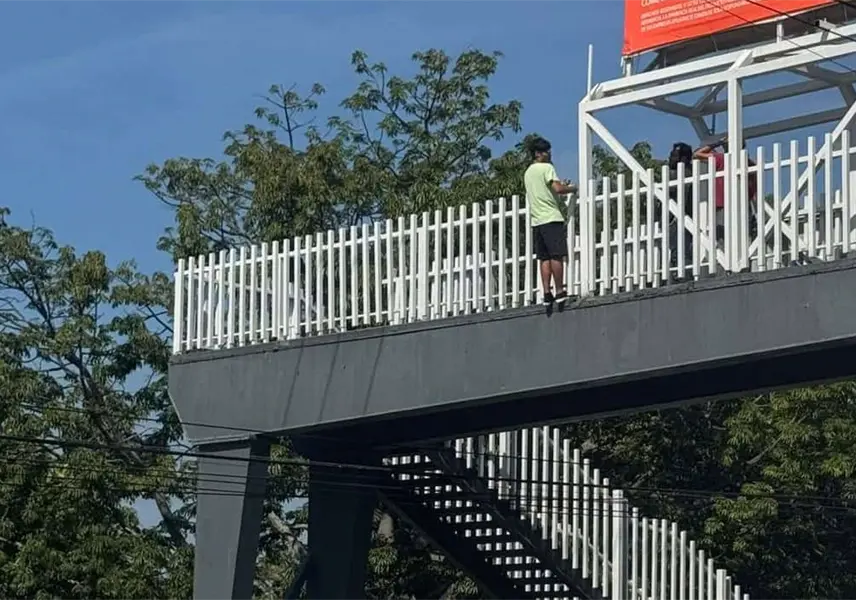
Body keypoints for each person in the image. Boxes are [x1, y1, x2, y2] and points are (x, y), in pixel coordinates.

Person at [523, 137, 577, 307]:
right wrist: (573, 188)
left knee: (543, 258)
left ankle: (547, 293)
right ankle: (560, 290)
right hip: (551, 217)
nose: (549, 154)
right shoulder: (547, 168)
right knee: (556, 255)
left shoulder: (528, 172)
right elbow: (558, 189)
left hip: (537, 220)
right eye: (546, 151)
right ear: (539, 153)